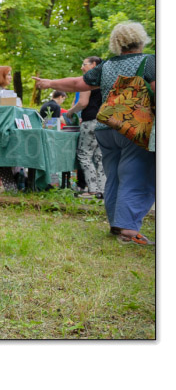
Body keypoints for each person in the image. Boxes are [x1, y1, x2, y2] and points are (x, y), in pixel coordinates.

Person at [33, 21, 155, 246]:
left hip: (106, 128)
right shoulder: (149, 62)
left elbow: (77, 83)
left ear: (117, 43)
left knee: (114, 177)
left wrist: (50, 82)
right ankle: (129, 230)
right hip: (135, 129)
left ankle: (117, 224)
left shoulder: (106, 66)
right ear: (141, 39)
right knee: (137, 176)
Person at [62, 56, 106, 198]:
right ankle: (102, 190)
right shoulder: (106, 79)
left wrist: (70, 112)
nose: (82, 67)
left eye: (84, 64)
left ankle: (92, 189)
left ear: (94, 64)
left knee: (84, 155)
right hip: (104, 122)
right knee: (99, 156)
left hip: (90, 121)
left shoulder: (88, 80)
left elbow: (82, 102)